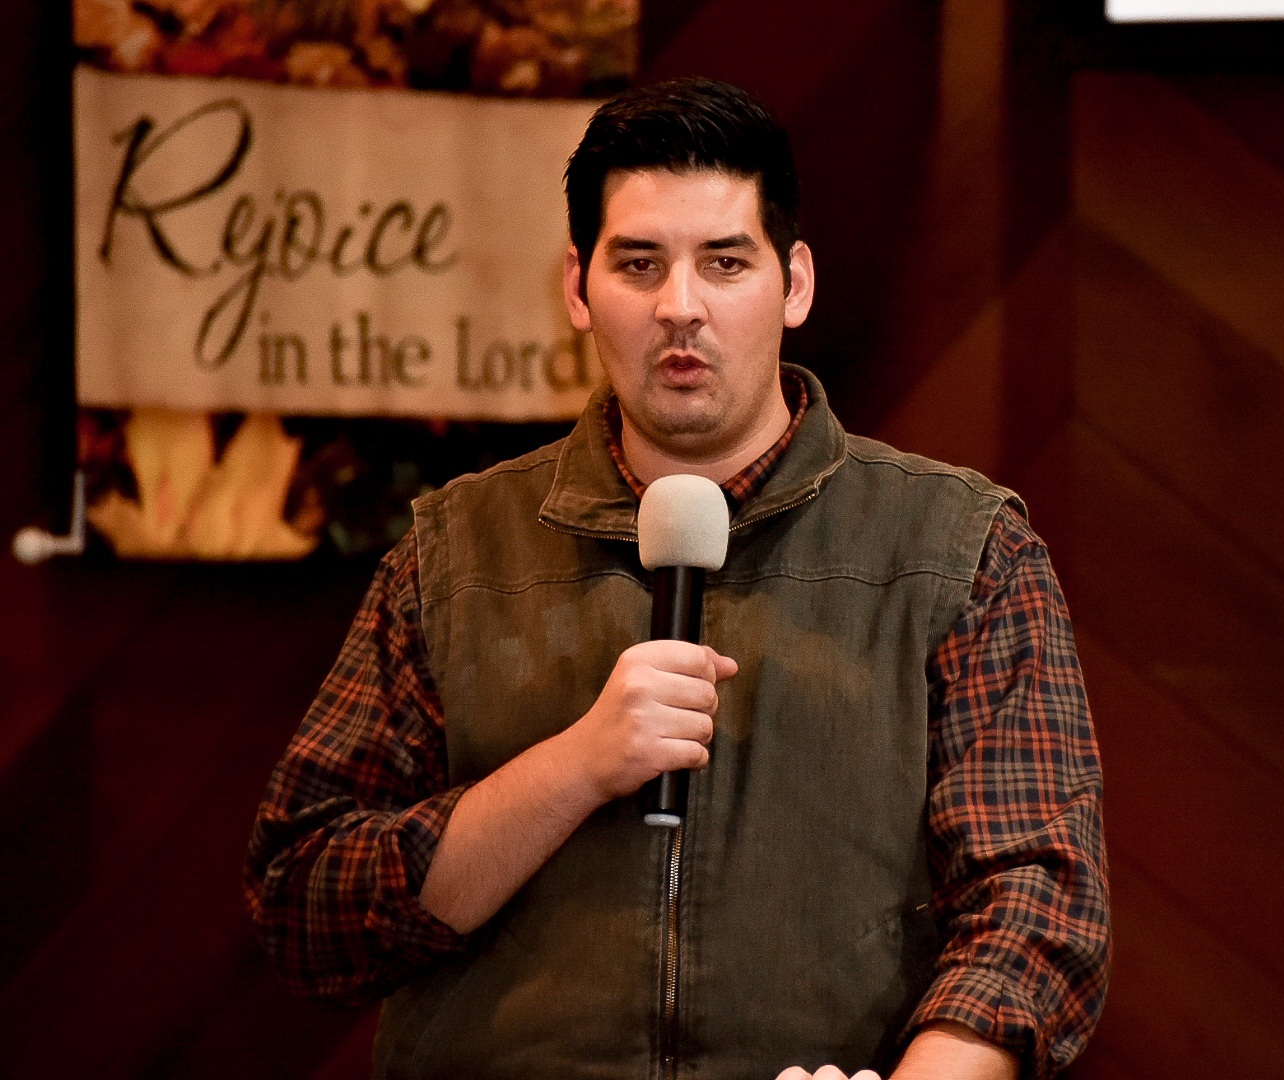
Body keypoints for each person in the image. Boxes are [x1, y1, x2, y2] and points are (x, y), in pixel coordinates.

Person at [245, 77, 1108, 1080]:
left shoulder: (961, 548)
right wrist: (574, 768)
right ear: (578, 288)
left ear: (794, 284)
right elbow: (306, 908)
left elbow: (1036, 904)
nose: (680, 307)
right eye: (639, 264)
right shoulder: (453, 553)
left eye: (725, 262)